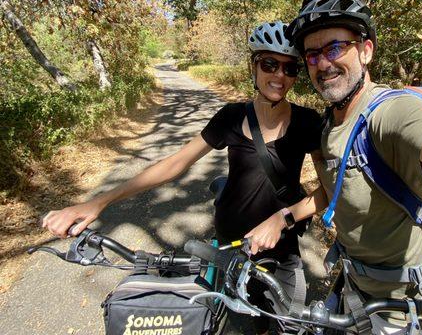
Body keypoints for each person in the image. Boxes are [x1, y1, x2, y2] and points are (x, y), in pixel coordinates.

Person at [42, 21, 323, 335]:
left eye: (289, 68)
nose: (279, 75)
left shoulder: (307, 122)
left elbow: (328, 192)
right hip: (234, 244)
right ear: (254, 66)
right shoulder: (231, 117)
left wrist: (282, 218)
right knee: (250, 312)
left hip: (283, 247)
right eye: (270, 64)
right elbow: (175, 164)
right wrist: (98, 202)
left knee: (291, 323)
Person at [245, 0, 422, 334]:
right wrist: (283, 217)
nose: (323, 63)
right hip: (358, 296)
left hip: (416, 316)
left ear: (366, 51)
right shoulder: (330, 124)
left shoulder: (394, 115)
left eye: (335, 48)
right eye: (312, 55)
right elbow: (335, 192)